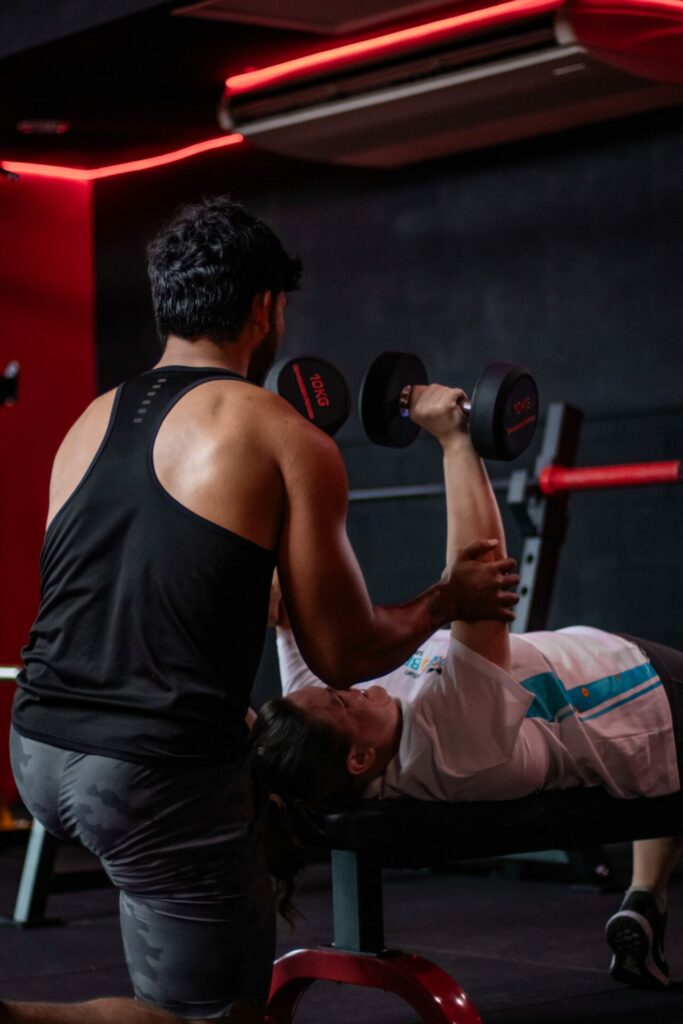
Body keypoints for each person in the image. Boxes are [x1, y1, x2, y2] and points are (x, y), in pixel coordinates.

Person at [4, 196, 518, 1024]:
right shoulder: (284, 436)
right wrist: (445, 600)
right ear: (265, 308)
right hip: (143, 772)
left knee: (170, 956)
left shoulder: (89, 419)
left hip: (36, 745)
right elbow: (345, 652)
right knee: (209, 1017)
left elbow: (108, 595)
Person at [252, 381, 683, 992]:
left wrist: (291, 441)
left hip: (618, 685)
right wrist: (455, 439)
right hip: (650, 701)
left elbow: (291, 595)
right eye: (343, 699)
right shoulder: (447, 745)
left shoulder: (330, 725)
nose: (349, 685)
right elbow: (481, 574)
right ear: (358, 756)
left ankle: (645, 901)